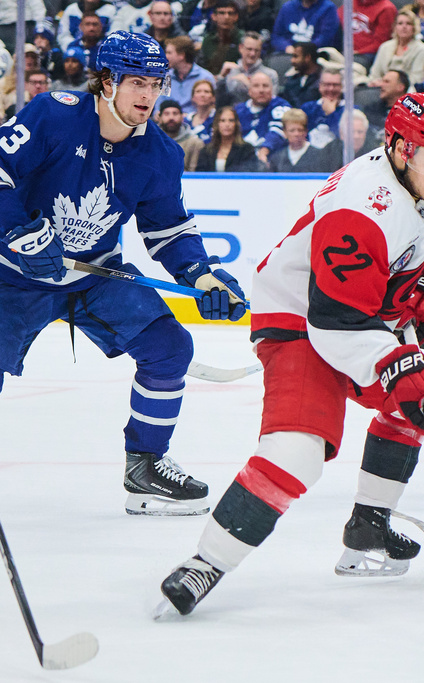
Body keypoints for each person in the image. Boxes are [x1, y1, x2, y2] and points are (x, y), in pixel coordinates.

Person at [159, 91, 424, 614]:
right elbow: (335, 322)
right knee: (298, 452)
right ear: (398, 147)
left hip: (363, 312)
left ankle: (368, 528)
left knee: (417, 405)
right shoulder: (359, 207)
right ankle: (205, 564)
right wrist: (395, 363)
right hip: (301, 318)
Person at [0, 31, 246, 517]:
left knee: (169, 347)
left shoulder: (160, 154)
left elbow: (169, 228)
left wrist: (201, 275)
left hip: (93, 274)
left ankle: (146, 467)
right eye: (137, 83)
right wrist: (17, 233)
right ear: (106, 82)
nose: (149, 97)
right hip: (13, 275)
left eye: (157, 84)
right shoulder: (53, 114)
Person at [235, 70, 291, 164]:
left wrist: (264, 151)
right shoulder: (238, 110)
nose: (261, 90)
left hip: (273, 159)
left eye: (265, 86)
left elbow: (278, 131)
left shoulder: (281, 105)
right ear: (249, 91)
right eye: (256, 86)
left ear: (272, 89)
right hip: (242, 161)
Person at [368, 9, 424, 86]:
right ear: (395, 27)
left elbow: (417, 79)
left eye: (408, 23)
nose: (404, 27)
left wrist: (391, 85)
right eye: (400, 23)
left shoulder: (422, 49)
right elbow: (375, 74)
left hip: (408, 91)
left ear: (414, 27)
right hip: (382, 88)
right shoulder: (385, 47)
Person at [216, 31, 278, 107]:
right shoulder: (230, 71)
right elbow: (217, 101)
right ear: (240, 48)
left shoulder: (270, 75)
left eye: (256, 50)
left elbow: (272, 104)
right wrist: (221, 77)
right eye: (249, 49)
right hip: (231, 115)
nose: (253, 54)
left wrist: (249, 84)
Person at [196, 104, 263, 171]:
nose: (227, 125)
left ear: (236, 124)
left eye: (231, 120)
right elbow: (200, 174)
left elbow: (248, 173)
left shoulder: (246, 149)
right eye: (222, 121)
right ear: (217, 124)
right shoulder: (206, 150)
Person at [161, 35, 215, 114]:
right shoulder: (166, 77)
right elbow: (160, 103)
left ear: (181, 55)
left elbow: (211, 107)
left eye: (169, 53)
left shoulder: (205, 77)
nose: (166, 56)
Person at [267, 107, 332, 171]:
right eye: (292, 130)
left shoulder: (320, 156)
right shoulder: (277, 159)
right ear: (285, 132)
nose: (296, 134)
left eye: (300, 130)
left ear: (306, 131)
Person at [342, 0, 398, 70]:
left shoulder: (386, 8)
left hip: (369, 54)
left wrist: (358, 52)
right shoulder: (351, 3)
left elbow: (381, 42)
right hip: (348, 51)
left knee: (350, 68)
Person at [271, 0, 339, 53]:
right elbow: (277, 35)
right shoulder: (287, 7)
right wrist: (286, 47)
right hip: (288, 53)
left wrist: (302, 51)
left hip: (315, 54)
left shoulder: (328, 8)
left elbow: (325, 38)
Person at [198, 0, 243, 75]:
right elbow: (201, 66)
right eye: (222, 13)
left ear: (236, 17)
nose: (226, 17)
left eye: (230, 13)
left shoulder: (242, 39)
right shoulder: (208, 39)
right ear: (213, 16)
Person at [158, 98, 205, 171]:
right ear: (159, 118)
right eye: (166, 114)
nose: (171, 118)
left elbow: (195, 175)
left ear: (182, 117)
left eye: (175, 113)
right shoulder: (151, 142)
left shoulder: (195, 143)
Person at [301, 67, 343, 148]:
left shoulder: (351, 110)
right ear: (320, 86)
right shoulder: (307, 108)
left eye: (335, 85)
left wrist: (331, 113)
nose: (331, 89)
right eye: (327, 85)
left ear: (341, 87)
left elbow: (347, 138)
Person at [280, 41, 322, 106]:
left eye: (295, 56)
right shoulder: (291, 81)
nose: (292, 61)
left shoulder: (322, 81)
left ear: (307, 57)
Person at [185, 79, 216, 143]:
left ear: (213, 97)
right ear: (193, 97)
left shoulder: (218, 118)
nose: (202, 95)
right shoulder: (186, 120)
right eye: (198, 91)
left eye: (207, 92)